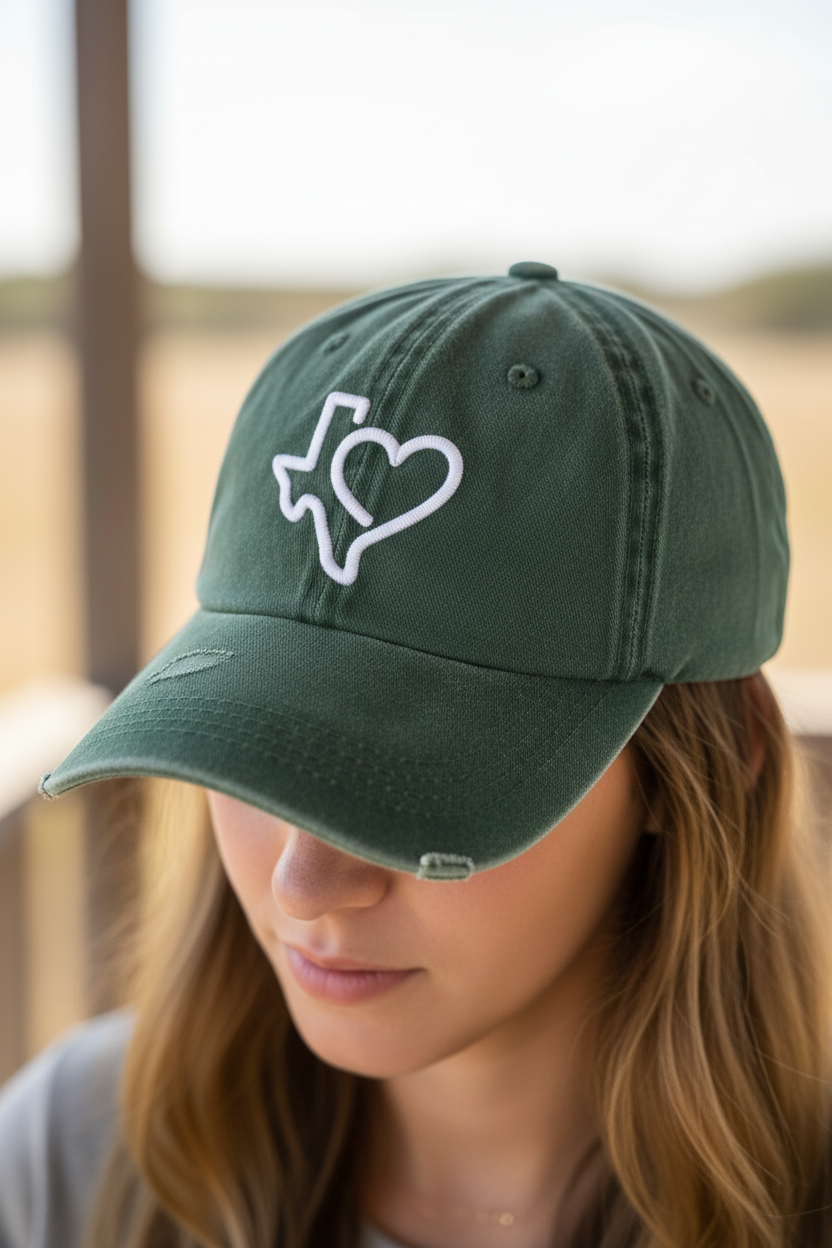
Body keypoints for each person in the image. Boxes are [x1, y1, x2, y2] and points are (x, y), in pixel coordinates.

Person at [0, 261, 829, 1248]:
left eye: (421, 780)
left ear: (714, 760)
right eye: (259, 746)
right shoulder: (74, 1152)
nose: (307, 885)